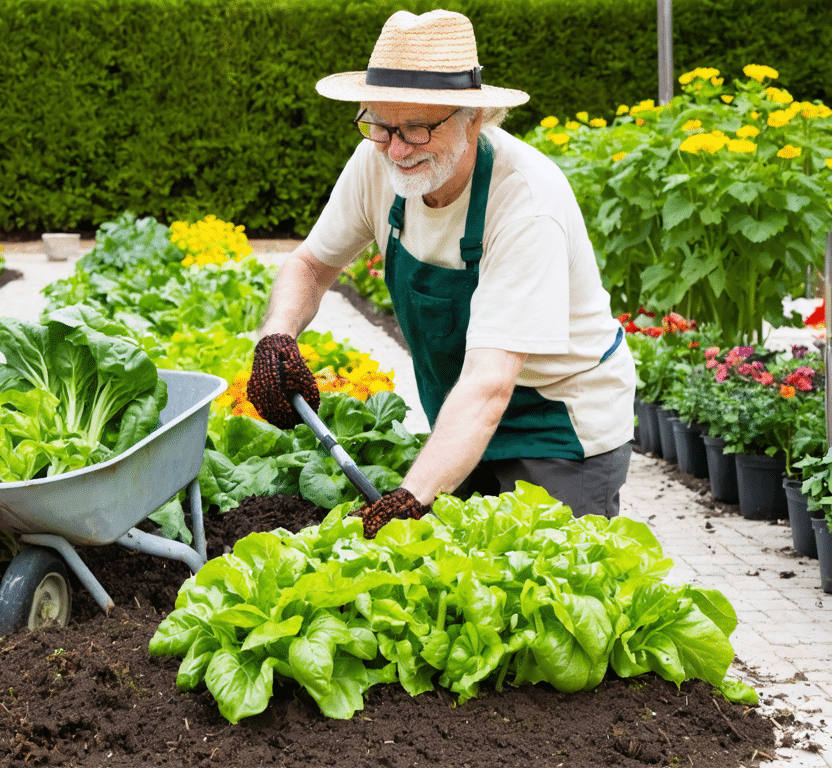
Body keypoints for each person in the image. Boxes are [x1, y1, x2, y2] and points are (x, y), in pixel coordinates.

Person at [247, 10, 635, 535]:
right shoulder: (377, 163)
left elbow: (490, 383)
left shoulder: (525, 202)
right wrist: (276, 337)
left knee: (543, 573)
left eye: (417, 128)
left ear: (474, 119)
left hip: (557, 427)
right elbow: (311, 265)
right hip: (460, 417)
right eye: (380, 125)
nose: (396, 150)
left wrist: (410, 498)